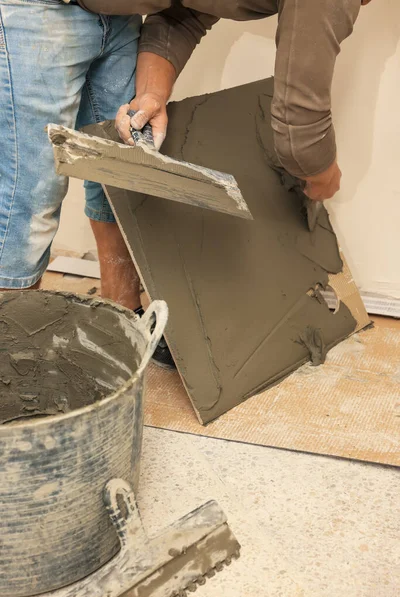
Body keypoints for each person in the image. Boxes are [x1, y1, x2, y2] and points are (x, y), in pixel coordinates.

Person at [0, 0, 371, 369]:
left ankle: (122, 315)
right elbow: (300, 126)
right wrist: (321, 171)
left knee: (122, 164)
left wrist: (151, 94)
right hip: (41, 9)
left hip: (120, 15)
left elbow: (185, 11)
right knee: (30, 189)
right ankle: (11, 352)